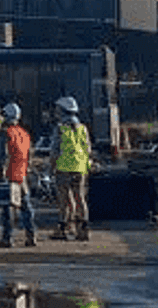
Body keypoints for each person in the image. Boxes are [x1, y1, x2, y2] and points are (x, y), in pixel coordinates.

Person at [0, 102, 37, 248]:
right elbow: (29, 154)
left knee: (7, 209)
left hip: (9, 175)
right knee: (26, 207)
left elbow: (2, 156)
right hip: (22, 174)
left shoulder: (6, 133)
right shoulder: (24, 133)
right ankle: (31, 236)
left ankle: (7, 238)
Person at [48, 95, 91, 241]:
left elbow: (54, 152)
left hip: (64, 168)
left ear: (63, 111)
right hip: (80, 168)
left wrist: (51, 169)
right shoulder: (82, 129)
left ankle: (63, 229)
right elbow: (87, 149)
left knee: (64, 201)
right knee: (80, 198)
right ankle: (83, 229)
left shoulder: (61, 129)